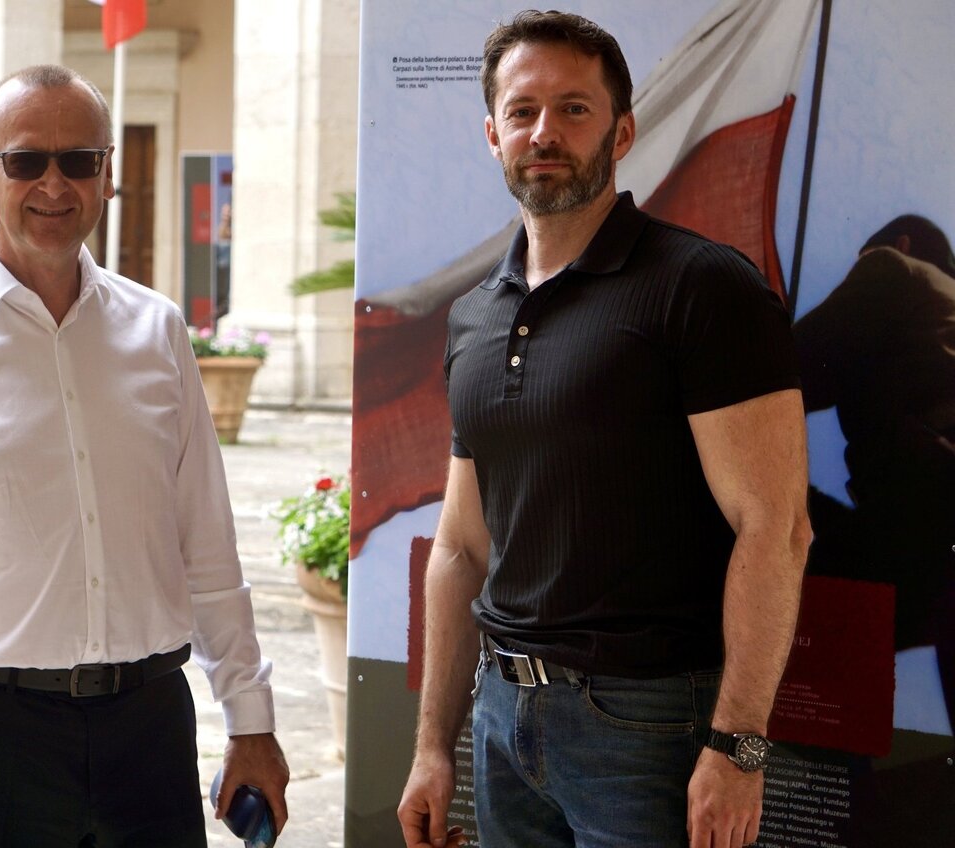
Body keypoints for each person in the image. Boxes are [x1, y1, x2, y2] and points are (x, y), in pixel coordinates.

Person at [0, 65, 289, 848]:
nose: (54, 183)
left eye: (79, 159)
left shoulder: (157, 332)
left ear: (106, 173)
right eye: (25, 160)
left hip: (149, 732)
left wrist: (250, 720)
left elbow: (208, 546)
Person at [397, 11, 811, 848]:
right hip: (501, 717)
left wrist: (738, 747)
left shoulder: (702, 288)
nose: (544, 132)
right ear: (493, 135)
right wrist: (433, 747)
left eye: (574, 108)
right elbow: (461, 546)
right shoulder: (475, 316)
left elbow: (776, 526)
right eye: (522, 111)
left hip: (647, 727)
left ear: (622, 131)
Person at [793, 215, 955, 727]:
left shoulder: (893, 267)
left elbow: (790, 371)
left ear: (901, 244)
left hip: (926, 509)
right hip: (931, 527)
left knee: (761, 528)